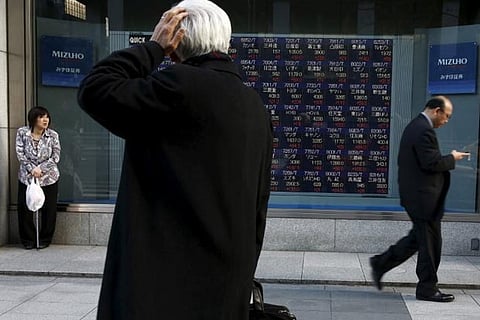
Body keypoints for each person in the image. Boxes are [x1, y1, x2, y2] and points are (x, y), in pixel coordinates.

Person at [77, 1, 273, 319]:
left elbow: (95, 88)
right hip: (226, 285)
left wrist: (153, 47)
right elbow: (258, 209)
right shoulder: (255, 107)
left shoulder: (176, 87)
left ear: (176, 38)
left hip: (161, 286)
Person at [370, 96, 469, 302]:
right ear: (436, 110)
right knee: (431, 244)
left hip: (418, 197)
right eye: (446, 116)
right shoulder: (423, 130)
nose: (447, 121)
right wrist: (453, 158)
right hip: (423, 199)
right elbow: (431, 163)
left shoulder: (416, 126)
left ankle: (381, 263)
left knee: (418, 239)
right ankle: (427, 288)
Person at [16, 106, 61, 250]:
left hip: (48, 177)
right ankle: (28, 239)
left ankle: (45, 239)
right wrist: (32, 169)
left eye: (46, 117)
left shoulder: (53, 135)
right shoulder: (22, 133)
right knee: (25, 208)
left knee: (49, 209)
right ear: (33, 119)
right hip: (27, 177)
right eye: (41, 117)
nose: (45, 120)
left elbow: (56, 156)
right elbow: (20, 153)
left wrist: (41, 169)